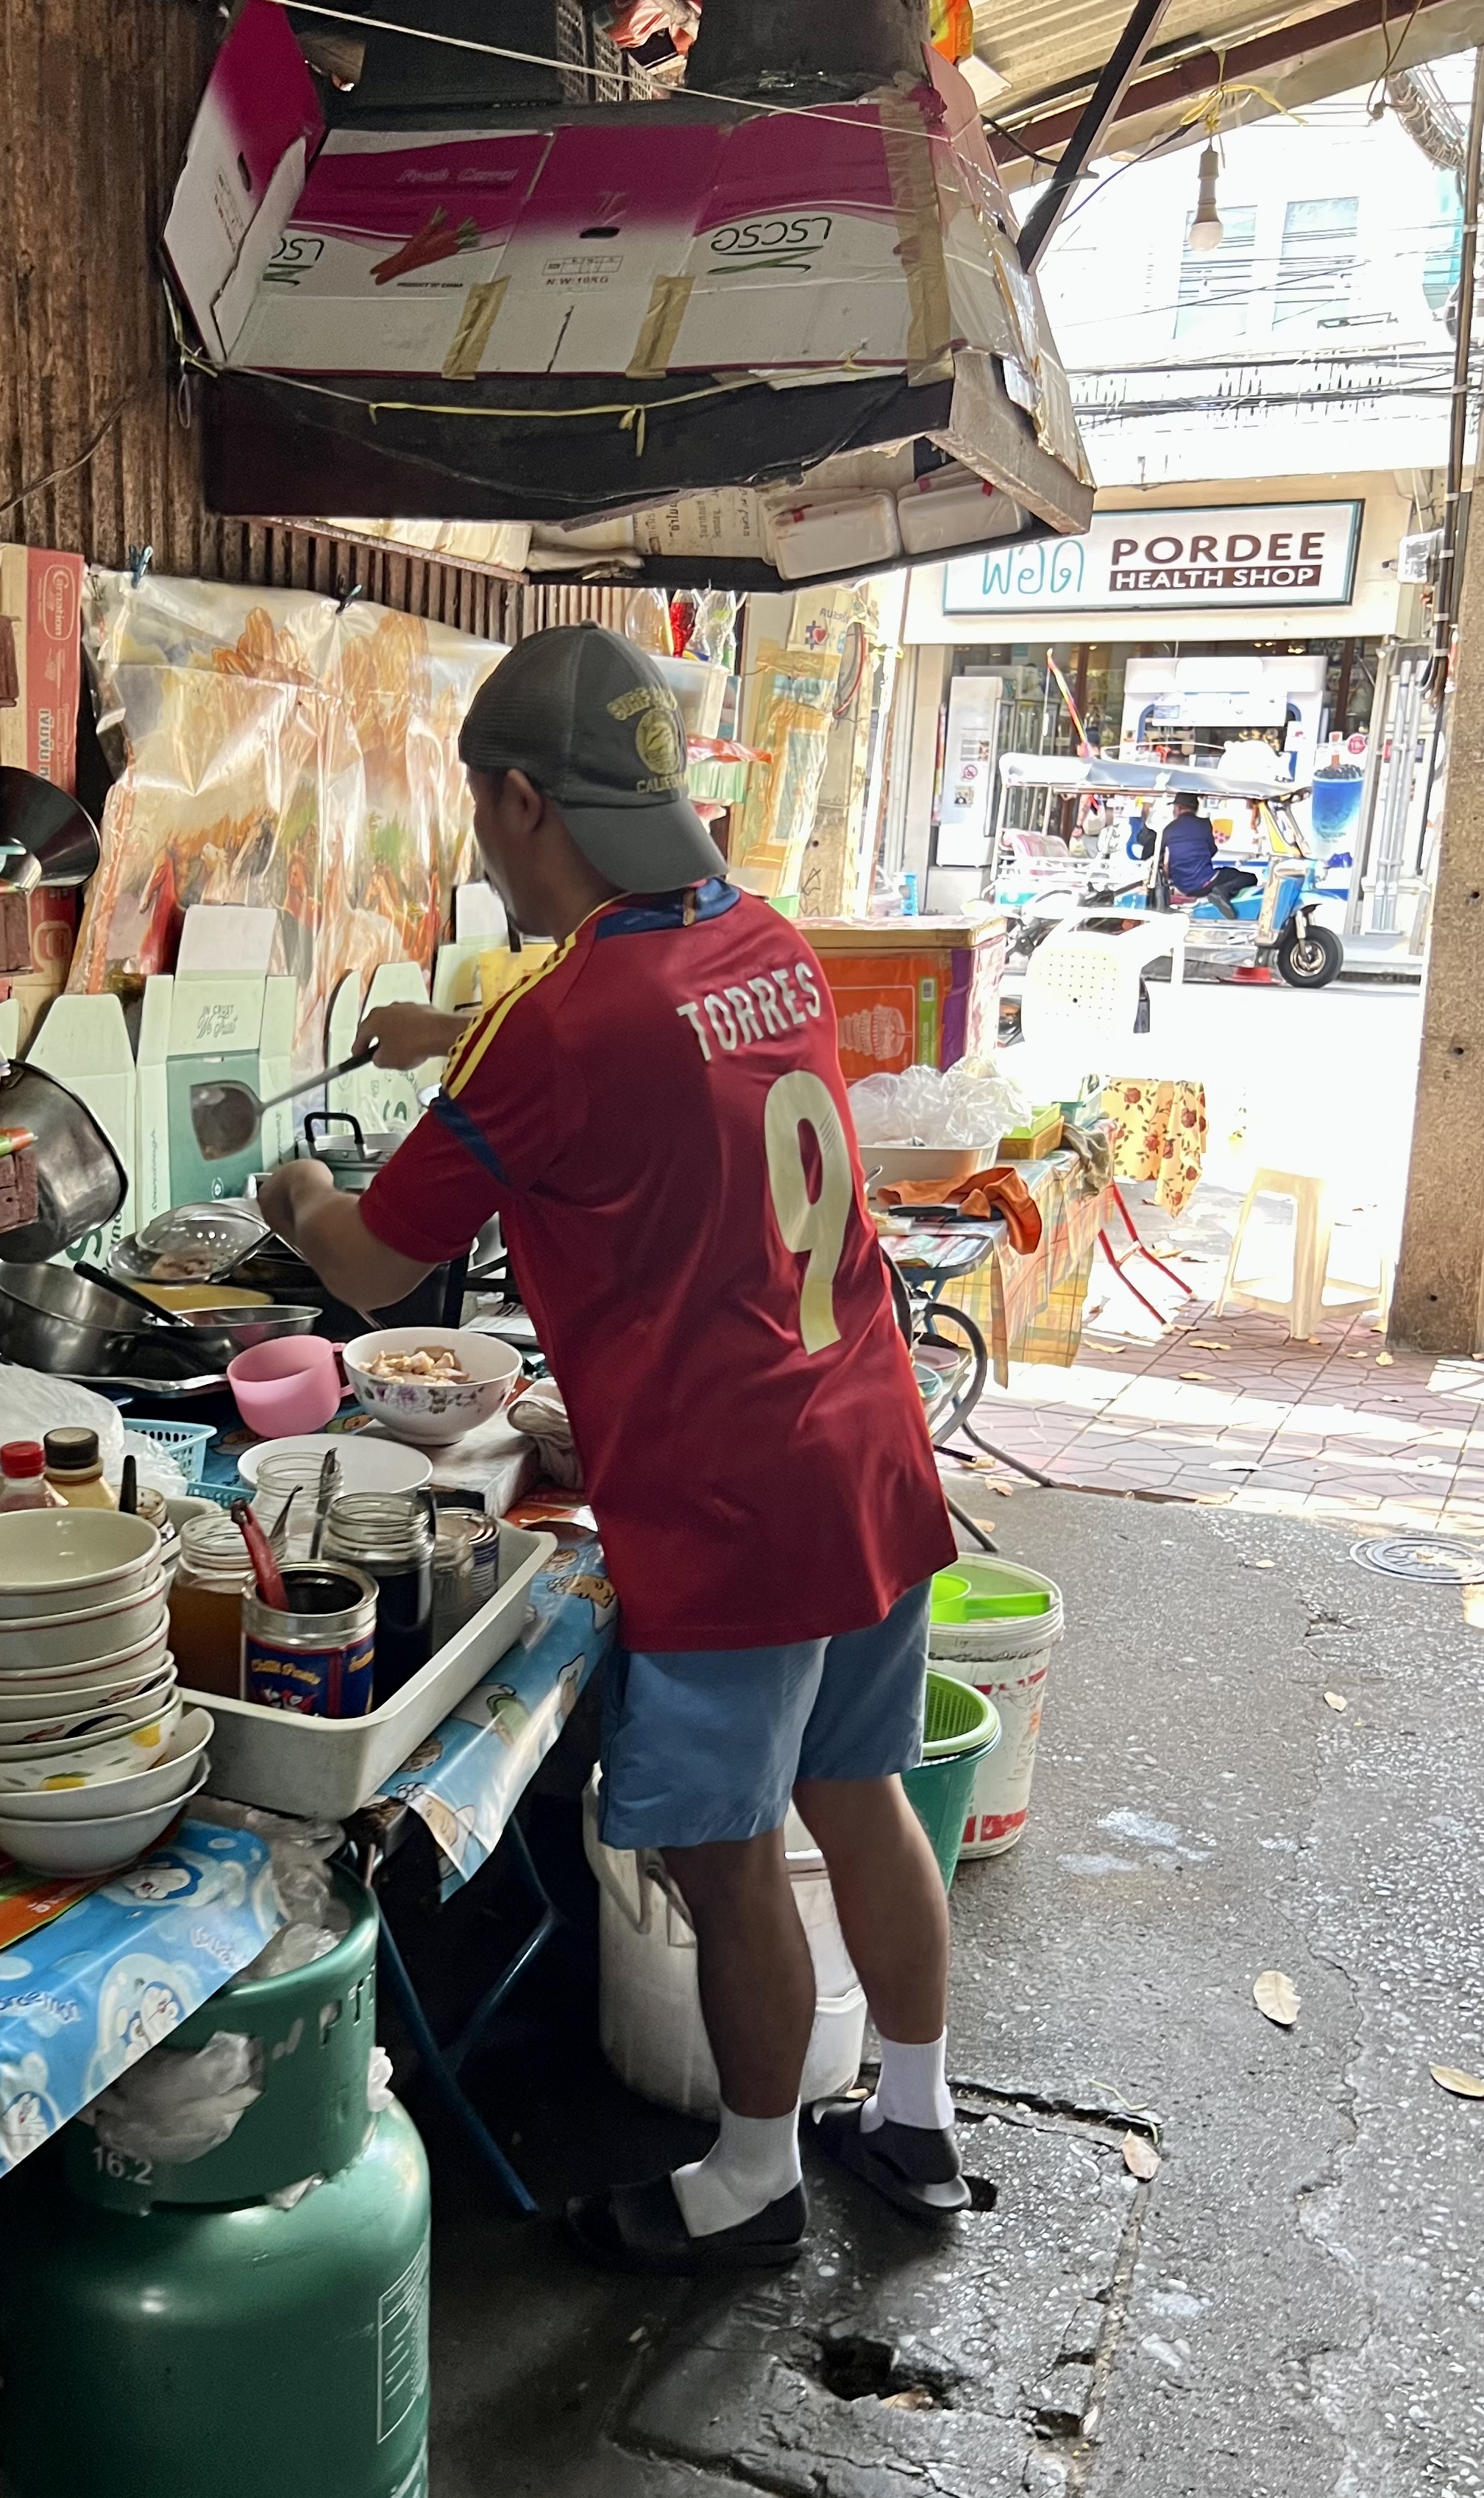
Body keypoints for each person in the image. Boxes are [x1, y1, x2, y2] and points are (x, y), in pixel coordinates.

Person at [255, 623, 966, 2271]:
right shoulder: (762, 938)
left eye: (480, 814)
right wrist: (452, 1031)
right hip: (863, 1442)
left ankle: (750, 2181)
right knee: (859, 1792)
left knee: (727, 1857)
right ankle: (915, 2119)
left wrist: (292, 1192)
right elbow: (649, 1024)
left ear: (519, 800)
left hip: (727, 1506)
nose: (482, 848)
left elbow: (369, 1268)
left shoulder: (558, 1029)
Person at [1159, 791, 1256, 915]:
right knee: (1250, 878)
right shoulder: (1204, 824)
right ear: (1196, 808)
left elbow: (1162, 857)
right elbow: (1212, 851)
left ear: (1178, 808)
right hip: (1206, 883)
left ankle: (1220, 892)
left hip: (1183, 887)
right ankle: (1223, 891)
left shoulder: (1168, 830)